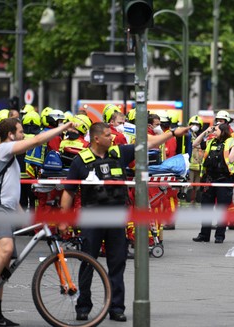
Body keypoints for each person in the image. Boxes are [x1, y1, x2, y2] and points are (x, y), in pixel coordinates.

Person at [60, 122, 190, 322]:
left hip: (116, 219)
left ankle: (116, 307)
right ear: (96, 138)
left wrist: (172, 133)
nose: (111, 137)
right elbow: (68, 191)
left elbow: (148, 143)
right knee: (87, 262)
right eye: (106, 135)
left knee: (117, 264)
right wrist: (62, 219)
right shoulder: (81, 161)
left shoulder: (118, 153)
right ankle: (83, 307)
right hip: (92, 220)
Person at [0, 118, 75, 326]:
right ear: (11, 134)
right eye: (20, 132)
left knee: (5, 263)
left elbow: (9, 195)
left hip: (6, 210)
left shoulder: (10, 157)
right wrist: (62, 128)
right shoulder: (3, 149)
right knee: (6, 249)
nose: (23, 136)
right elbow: (36, 141)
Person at [192, 123, 234, 244]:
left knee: (222, 209)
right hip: (209, 179)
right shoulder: (211, 141)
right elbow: (195, 144)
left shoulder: (231, 142)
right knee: (206, 207)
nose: (214, 131)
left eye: (216, 130)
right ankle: (204, 235)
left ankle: (219, 236)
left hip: (224, 179)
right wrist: (205, 132)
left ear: (223, 131)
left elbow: (232, 159)